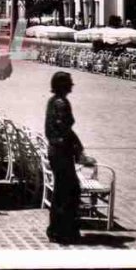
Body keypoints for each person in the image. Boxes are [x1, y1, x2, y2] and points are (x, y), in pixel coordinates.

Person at [44, 71, 87, 244]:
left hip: (57, 151)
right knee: (68, 190)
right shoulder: (61, 103)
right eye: (69, 82)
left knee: (63, 190)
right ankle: (62, 230)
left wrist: (78, 148)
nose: (72, 85)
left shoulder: (53, 101)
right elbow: (65, 131)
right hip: (61, 152)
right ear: (62, 85)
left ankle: (58, 229)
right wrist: (79, 151)